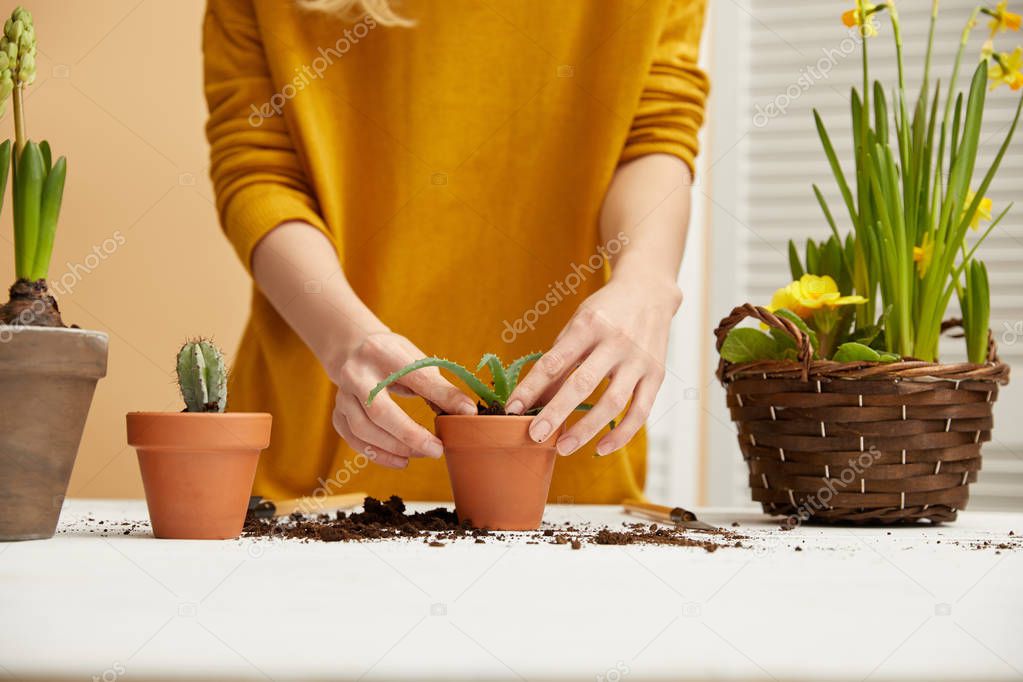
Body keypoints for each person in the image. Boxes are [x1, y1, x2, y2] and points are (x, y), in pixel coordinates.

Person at [203, 0, 709, 503]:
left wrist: (646, 278)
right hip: (319, 452)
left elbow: (653, 132)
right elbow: (259, 170)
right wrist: (340, 336)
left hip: (566, 458)